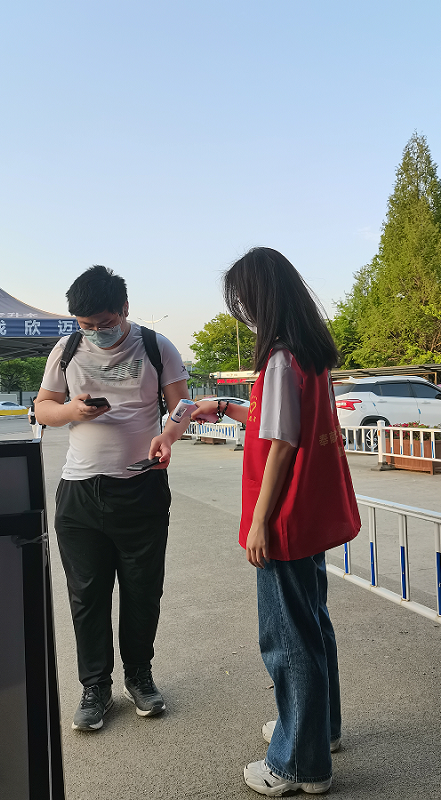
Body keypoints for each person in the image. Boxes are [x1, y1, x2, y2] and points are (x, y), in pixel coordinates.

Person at [192, 248, 360, 796]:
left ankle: (297, 764)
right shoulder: (309, 355)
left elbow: (282, 444)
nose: (243, 311)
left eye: (243, 301)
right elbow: (279, 422)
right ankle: (318, 731)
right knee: (312, 624)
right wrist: (226, 409)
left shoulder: (281, 359)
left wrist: (260, 522)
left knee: (286, 639)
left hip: (285, 517)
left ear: (260, 299)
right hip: (309, 513)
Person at [34, 265, 189, 732]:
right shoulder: (67, 350)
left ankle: (139, 677)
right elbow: (43, 408)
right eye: (86, 324)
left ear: (124, 308)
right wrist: (71, 410)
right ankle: (95, 688)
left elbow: (182, 405)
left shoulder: (156, 346)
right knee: (87, 596)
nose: (96, 332)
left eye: (104, 322)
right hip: (80, 492)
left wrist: (168, 436)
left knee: (143, 592)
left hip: (141, 487)